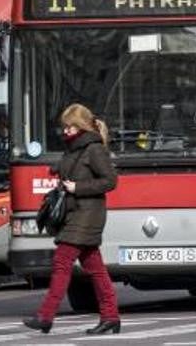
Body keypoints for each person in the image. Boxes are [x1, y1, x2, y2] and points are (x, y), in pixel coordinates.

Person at [24, 103, 121, 335]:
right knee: (95, 268)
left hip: (87, 214)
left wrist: (78, 186)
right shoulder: (74, 149)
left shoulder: (94, 149)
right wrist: (57, 170)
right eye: (64, 127)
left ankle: (45, 316)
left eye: (70, 127)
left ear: (82, 126)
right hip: (75, 212)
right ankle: (111, 317)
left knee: (61, 261)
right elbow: (76, 167)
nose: (65, 131)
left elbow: (110, 181)